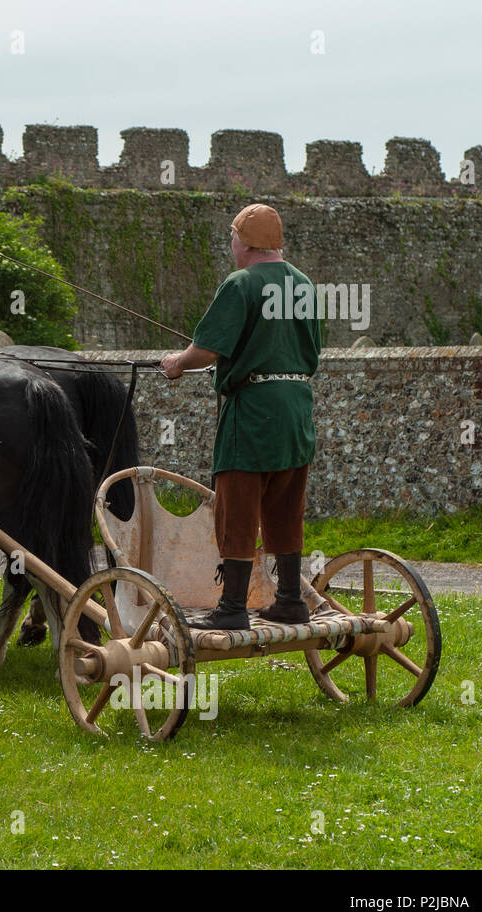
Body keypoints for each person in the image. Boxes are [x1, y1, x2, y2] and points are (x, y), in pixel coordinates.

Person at [160, 203, 322, 629]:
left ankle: (232, 608)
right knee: (287, 505)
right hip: (296, 409)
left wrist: (178, 361)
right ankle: (289, 599)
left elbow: (207, 350)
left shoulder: (241, 282)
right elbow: (309, 351)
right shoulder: (302, 284)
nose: (231, 244)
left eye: (232, 237)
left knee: (237, 503)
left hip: (252, 410)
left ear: (243, 241)